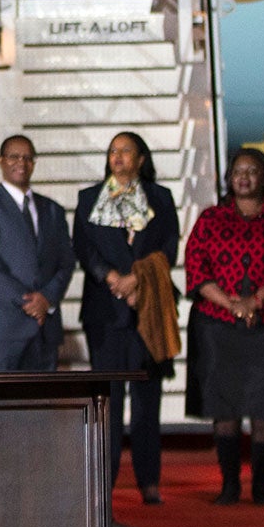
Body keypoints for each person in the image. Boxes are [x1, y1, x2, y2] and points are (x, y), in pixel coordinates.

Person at [184, 149, 264, 504]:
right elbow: (196, 268)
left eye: (252, 171)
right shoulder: (210, 219)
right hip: (219, 328)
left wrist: (255, 302)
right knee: (225, 409)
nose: (244, 177)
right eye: (238, 171)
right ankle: (229, 485)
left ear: (263, 178)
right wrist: (233, 306)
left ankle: (261, 486)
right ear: (229, 179)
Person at [74, 131, 179, 502]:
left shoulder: (161, 198)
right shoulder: (89, 198)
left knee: (148, 403)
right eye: (113, 151)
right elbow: (83, 249)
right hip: (105, 313)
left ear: (141, 159)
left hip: (147, 310)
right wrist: (113, 278)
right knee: (109, 404)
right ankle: (106, 484)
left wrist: (139, 280)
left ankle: (149, 483)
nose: (118, 157)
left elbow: (170, 248)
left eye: (126, 151)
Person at [0, 135, 73, 371]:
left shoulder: (53, 210)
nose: (21, 163)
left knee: (43, 406)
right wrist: (28, 302)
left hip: (45, 329)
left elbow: (66, 262)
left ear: (34, 163)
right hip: (1, 330)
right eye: (14, 156)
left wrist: (46, 299)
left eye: (27, 158)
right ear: (1, 161)